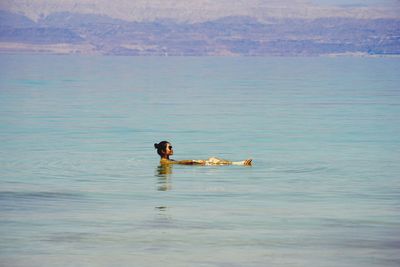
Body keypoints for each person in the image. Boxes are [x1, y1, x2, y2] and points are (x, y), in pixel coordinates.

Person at [154, 141, 252, 165]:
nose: (172, 149)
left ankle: (239, 163)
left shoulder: (167, 160)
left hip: (193, 164)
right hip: (193, 164)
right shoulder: (164, 162)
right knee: (213, 161)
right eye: (169, 147)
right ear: (163, 151)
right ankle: (241, 163)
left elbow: (176, 163)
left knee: (213, 160)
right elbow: (178, 163)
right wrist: (193, 161)